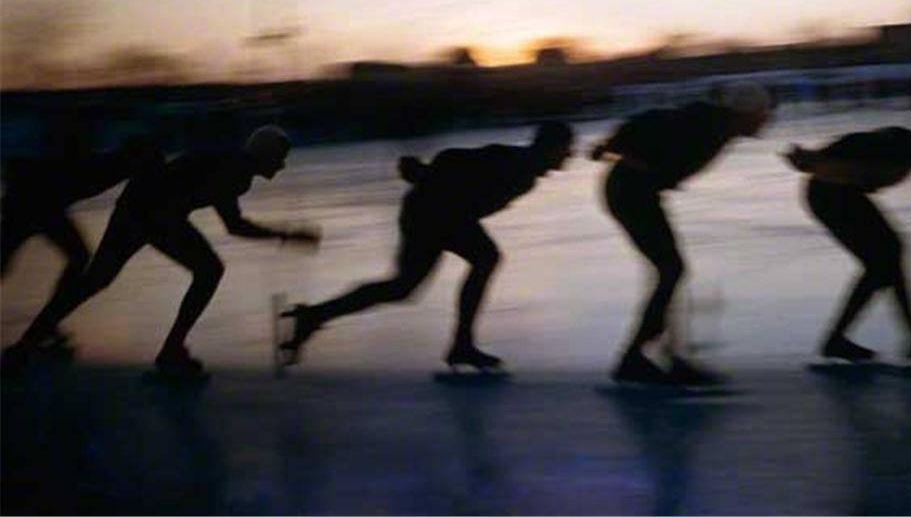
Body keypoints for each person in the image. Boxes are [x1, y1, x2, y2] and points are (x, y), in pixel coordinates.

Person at [6, 126, 313, 377]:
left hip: (144, 210)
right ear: (266, 154)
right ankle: (170, 352)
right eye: (280, 157)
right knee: (206, 271)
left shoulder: (235, 167)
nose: (281, 165)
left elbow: (231, 222)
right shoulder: (235, 171)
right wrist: (285, 235)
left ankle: (24, 347)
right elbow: (234, 225)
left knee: (96, 280)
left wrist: (283, 235)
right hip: (150, 213)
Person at [280, 121, 574, 372]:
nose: (569, 156)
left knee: (405, 286)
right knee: (476, 262)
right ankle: (462, 344)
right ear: (551, 147)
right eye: (566, 149)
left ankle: (314, 315)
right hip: (430, 213)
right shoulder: (514, 162)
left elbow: (458, 172)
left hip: (441, 214)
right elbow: (454, 158)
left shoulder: (526, 173)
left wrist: (426, 176)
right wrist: (424, 173)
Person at [593, 82, 773, 386]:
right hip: (629, 191)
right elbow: (654, 120)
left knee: (670, 270)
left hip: (638, 190)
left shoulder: (717, 126)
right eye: (762, 114)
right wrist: (615, 146)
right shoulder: (708, 124)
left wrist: (624, 153)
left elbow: (656, 126)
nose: (766, 120)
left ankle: (659, 355)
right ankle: (639, 358)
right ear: (746, 113)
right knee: (671, 270)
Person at [786, 112, 911, 364]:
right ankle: (844, 340)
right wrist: (815, 158)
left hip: (839, 192)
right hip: (828, 193)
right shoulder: (904, 145)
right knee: (882, 261)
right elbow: (856, 142)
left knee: (889, 255)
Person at [2, 133, 165, 353]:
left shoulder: (112, 164)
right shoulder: (108, 166)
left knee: (76, 256)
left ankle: (51, 320)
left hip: (41, 205)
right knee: (75, 256)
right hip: (34, 204)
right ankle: (50, 321)